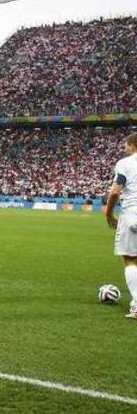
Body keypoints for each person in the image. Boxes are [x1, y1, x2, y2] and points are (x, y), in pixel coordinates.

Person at [104, 132, 137, 319]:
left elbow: (116, 192)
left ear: (132, 145)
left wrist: (109, 213)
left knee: (130, 260)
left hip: (132, 213)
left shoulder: (125, 163)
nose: (124, 149)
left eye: (126, 145)